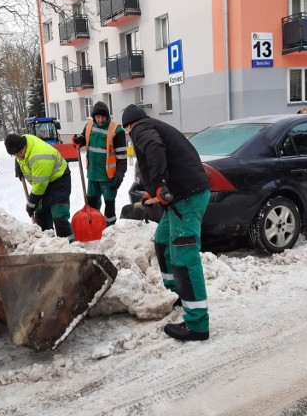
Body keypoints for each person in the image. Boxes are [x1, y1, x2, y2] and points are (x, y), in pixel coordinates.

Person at [121, 104, 211, 341]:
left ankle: (198, 324)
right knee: (162, 241)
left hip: (188, 198)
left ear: (128, 126)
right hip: (180, 198)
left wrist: (159, 184)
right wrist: (156, 193)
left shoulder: (141, 129)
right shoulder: (155, 125)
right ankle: (180, 294)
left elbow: (153, 147)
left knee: (184, 257)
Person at [4, 133, 74, 241]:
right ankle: (47, 244)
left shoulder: (40, 156)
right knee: (41, 217)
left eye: (20, 152)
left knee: (59, 217)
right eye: (15, 155)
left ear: (24, 146)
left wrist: (31, 204)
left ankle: (69, 246)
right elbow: (18, 156)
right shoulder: (22, 142)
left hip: (59, 181)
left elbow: (39, 186)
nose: (19, 156)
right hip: (42, 181)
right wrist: (18, 167)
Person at [71, 101, 127, 227]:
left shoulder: (117, 130)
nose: (100, 120)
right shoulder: (90, 125)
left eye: (103, 117)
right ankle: (94, 226)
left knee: (109, 204)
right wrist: (79, 140)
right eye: (98, 117)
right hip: (92, 174)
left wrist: (120, 174)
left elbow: (122, 158)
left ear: (107, 116)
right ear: (94, 117)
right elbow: (85, 138)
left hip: (108, 176)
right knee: (91, 202)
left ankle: (110, 228)